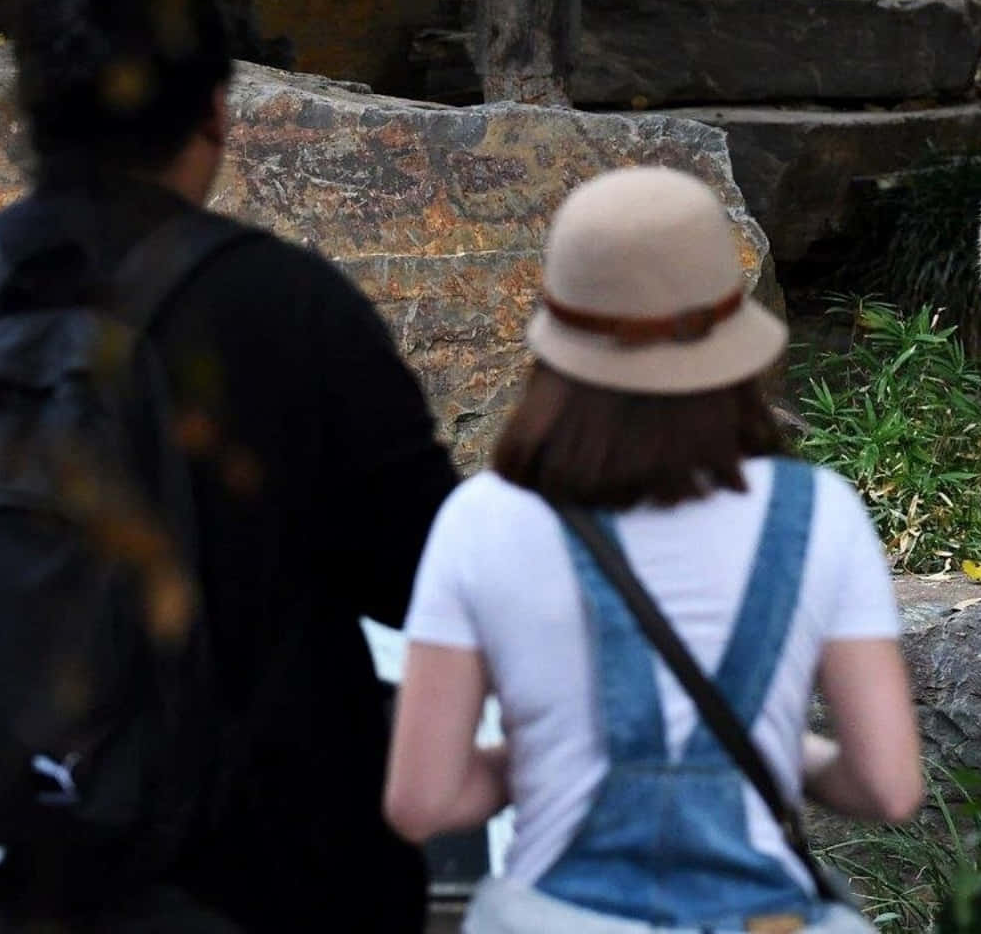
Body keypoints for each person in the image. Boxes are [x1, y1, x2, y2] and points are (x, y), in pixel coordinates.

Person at [0, 0, 459, 931]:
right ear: (213, 111)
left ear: (33, 116)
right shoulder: (290, 308)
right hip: (263, 868)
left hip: (21, 860)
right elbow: (430, 571)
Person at [384, 166, 924, 933]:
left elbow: (424, 801)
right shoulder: (819, 515)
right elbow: (888, 788)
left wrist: (543, 756)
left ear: (557, 333)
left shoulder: (484, 519)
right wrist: (781, 752)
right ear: (730, 331)